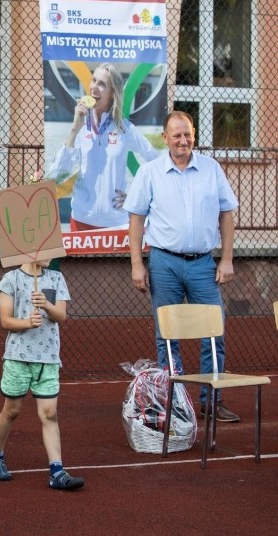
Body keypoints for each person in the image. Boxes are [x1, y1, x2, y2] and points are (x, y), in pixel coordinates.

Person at [123, 110, 240, 423]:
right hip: (163, 263)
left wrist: (226, 258)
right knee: (167, 336)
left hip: (203, 263)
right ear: (165, 138)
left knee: (213, 332)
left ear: (193, 134)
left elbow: (227, 214)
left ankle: (211, 402)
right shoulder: (150, 173)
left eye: (187, 134)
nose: (183, 140)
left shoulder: (211, 169)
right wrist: (137, 264)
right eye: (176, 135)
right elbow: (135, 218)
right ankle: (175, 404)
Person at [0, 258, 84, 490]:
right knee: (11, 411)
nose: (51, 255)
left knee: (49, 413)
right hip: (18, 357)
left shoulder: (56, 278)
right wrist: (27, 322)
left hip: (48, 358)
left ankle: (57, 470)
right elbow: (5, 320)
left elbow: (61, 316)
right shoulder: (11, 279)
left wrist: (47, 306)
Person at [47, 63, 159, 230]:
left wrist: (136, 197)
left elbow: (154, 160)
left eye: (102, 84)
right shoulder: (80, 126)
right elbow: (56, 175)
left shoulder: (124, 128)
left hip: (116, 223)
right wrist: (74, 129)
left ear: (113, 93)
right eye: (93, 80)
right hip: (81, 219)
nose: (94, 87)